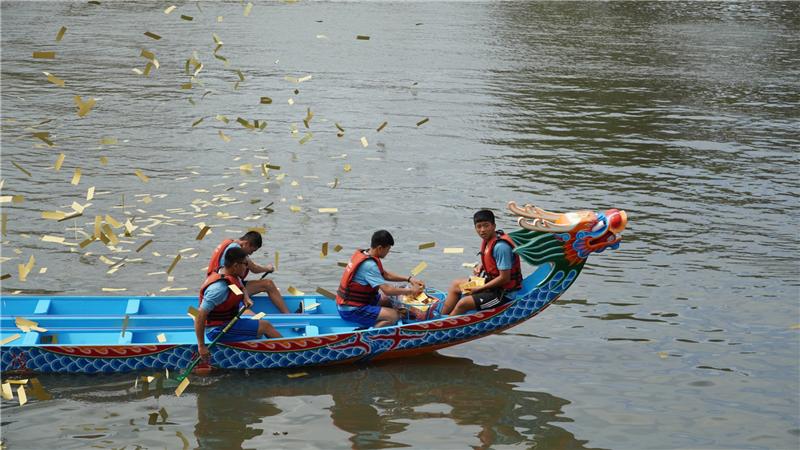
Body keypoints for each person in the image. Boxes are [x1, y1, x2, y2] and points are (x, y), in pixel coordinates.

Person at [196, 246, 282, 362]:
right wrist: (201, 346)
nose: (247, 267)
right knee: (266, 326)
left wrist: (245, 298)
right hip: (217, 330)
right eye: (245, 264)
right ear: (236, 266)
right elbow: (200, 316)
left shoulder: (227, 271)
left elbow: (240, 284)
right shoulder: (218, 289)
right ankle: (290, 351)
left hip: (229, 321)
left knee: (257, 333)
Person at [336, 230, 425, 328]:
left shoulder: (365, 254)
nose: (388, 252)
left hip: (357, 302)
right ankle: (368, 337)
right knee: (394, 316)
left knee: (388, 300)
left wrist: (409, 279)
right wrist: (411, 291)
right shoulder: (369, 265)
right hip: (352, 310)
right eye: (388, 249)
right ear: (380, 248)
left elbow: (385, 274)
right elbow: (387, 290)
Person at [442, 210, 523, 316]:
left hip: (503, 293)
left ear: (493, 226)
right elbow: (492, 262)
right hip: (492, 284)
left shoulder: (501, 247)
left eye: (486, 226)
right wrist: (482, 266)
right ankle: (440, 317)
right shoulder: (489, 240)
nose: (482, 230)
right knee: (455, 285)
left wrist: (480, 288)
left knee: (463, 303)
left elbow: (505, 278)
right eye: (479, 227)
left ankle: (446, 326)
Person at [207, 231, 290, 314]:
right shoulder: (235, 251)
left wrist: (245, 295)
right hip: (228, 287)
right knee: (250, 314)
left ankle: (288, 316)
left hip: (232, 283)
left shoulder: (233, 245)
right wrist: (267, 269)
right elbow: (253, 268)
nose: (251, 254)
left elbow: (238, 278)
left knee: (268, 284)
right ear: (246, 243)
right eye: (252, 251)